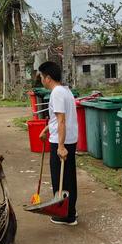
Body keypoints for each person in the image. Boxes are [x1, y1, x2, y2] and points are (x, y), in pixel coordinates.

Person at [38, 61, 78, 225]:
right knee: (69, 177)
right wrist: (47, 129)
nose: (40, 79)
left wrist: (60, 146)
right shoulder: (65, 90)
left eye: (41, 76)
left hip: (62, 142)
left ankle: (66, 215)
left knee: (62, 179)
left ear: (47, 78)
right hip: (67, 138)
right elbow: (58, 118)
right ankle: (70, 211)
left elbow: (61, 120)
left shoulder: (57, 93)